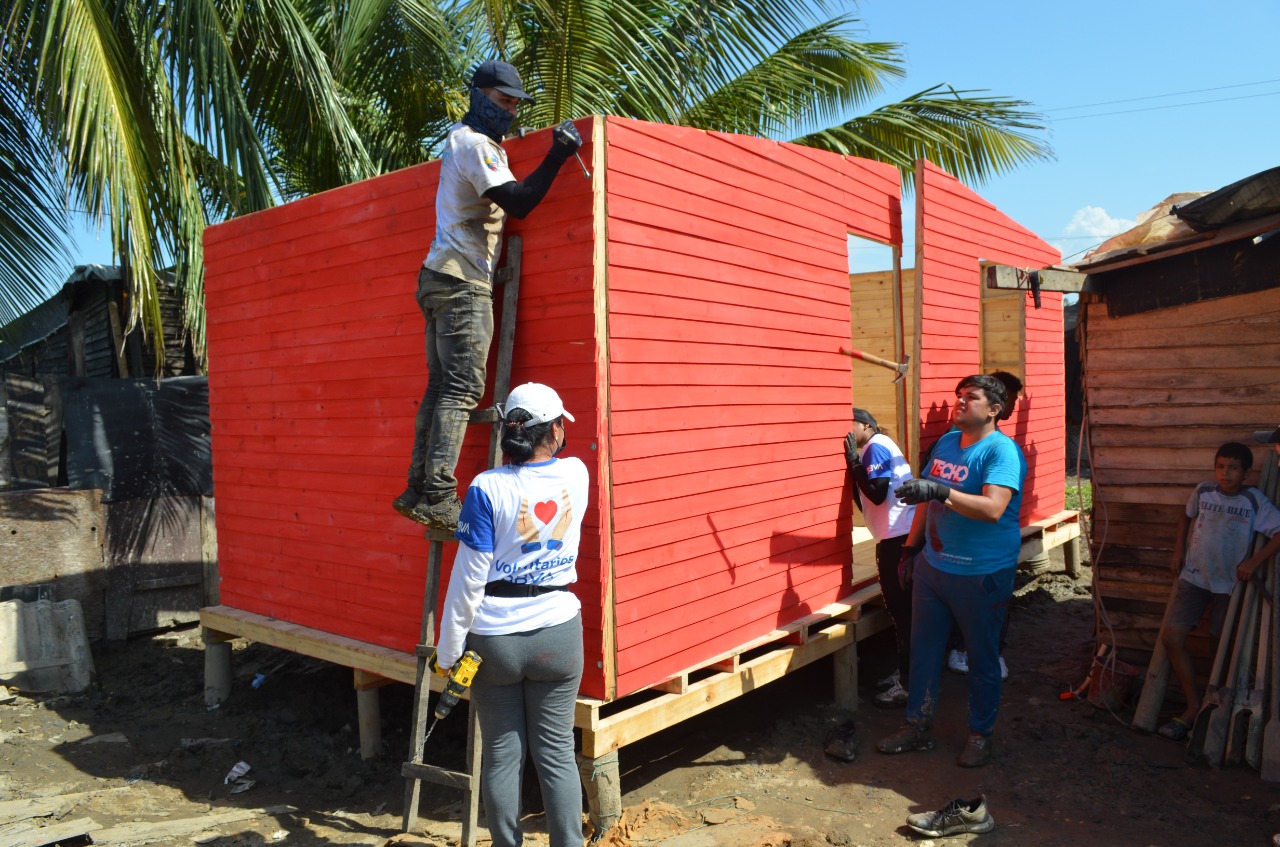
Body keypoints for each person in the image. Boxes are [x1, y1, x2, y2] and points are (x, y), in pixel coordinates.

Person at [394, 61, 583, 531]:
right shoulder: (477, 145)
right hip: (462, 283)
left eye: (517, 104)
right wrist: (557, 155)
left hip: (439, 275)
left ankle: (418, 489)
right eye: (503, 101)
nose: (511, 111)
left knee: (441, 388)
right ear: (478, 96)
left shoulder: (462, 143)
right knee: (460, 390)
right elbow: (517, 201)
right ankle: (437, 495)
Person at [434, 382, 589, 847]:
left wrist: (448, 651)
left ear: (508, 431)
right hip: (558, 633)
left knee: (502, 754)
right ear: (556, 432)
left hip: (494, 641)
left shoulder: (486, 489)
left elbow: (467, 580)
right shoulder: (577, 474)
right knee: (557, 752)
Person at [877, 374, 1027, 768]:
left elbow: (993, 509)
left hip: (981, 573)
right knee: (924, 652)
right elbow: (924, 500)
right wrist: (910, 550)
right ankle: (917, 727)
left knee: (981, 658)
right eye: (959, 396)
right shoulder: (945, 443)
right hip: (934, 567)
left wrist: (941, 491)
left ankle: (981, 735)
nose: (960, 402)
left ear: (994, 409)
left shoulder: (1001, 452)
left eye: (971, 398)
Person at [1156, 441, 1280, 741]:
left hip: (1229, 585)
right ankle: (1192, 705)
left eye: (1234, 468)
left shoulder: (1253, 501)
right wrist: (1177, 552)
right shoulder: (1203, 492)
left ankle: (1212, 709)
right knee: (1172, 637)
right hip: (1194, 577)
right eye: (1221, 467)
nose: (1226, 474)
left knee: (1219, 645)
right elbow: (1186, 515)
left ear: (1247, 473)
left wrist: (1253, 562)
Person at [943, 370, 1023, 680]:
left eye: (1013, 401)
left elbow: (993, 509)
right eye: (1009, 399)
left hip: (989, 555)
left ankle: (990, 656)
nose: (1011, 407)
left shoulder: (1003, 450)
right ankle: (967, 650)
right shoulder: (953, 441)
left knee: (991, 608)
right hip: (954, 551)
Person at [843, 408, 916, 708]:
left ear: (864, 425)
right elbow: (870, 500)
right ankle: (906, 673)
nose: (845, 433)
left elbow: (875, 492)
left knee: (903, 614)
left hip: (897, 539)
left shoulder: (875, 447)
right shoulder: (881, 446)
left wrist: (853, 463)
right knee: (904, 613)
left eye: (849, 425)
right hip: (897, 535)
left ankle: (909, 684)